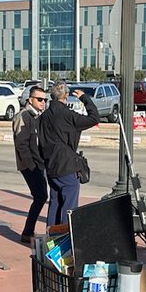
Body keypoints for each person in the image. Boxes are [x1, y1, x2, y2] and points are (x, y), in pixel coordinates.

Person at [38, 80, 99, 226]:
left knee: (55, 203)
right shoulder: (68, 115)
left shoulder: (44, 116)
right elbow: (94, 117)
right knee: (69, 206)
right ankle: (65, 239)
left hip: (51, 165)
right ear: (65, 95)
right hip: (66, 165)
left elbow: (40, 141)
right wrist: (85, 98)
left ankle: (51, 240)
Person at [12, 85, 47, 242]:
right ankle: (27, 232)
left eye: (45, 99)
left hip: (38, 164)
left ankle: (28, 231)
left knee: (40, 196)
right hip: (30, 165)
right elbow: (22, 145)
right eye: (39, 99)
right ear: (30, 99)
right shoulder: (24, 116)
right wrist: (32, 166)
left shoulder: (36, 116)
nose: (43, 102)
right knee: (40, 196)